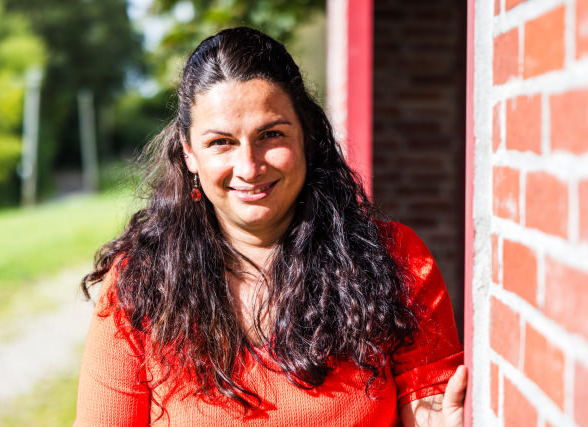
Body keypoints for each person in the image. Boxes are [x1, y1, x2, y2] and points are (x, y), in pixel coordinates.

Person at [74, 27, 466, 426]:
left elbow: (431, 413)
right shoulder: (138, 286)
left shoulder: (394, 261)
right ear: (189, 153)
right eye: (220, 143)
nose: (249, 167)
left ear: (307, 136)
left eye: (271, 134)